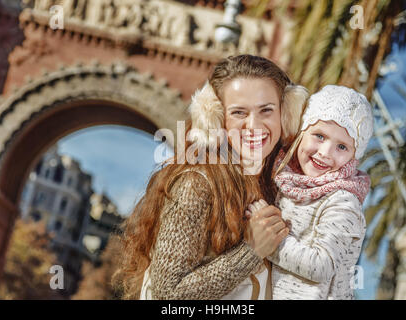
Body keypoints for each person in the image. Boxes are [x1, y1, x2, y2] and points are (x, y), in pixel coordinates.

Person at [114, 54, 309, 299]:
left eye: (266, 110)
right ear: (215, 120)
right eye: (239, 112)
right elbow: (168, 295)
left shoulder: (280, 190)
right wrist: (251, 251)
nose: (254, 125)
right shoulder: (196, 185)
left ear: (286, 113)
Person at [247, 85, 374, 299]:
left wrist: (267, 241)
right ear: (302, 133)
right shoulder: (286, 180)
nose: (325, 153)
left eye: (342, 147)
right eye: (319, 136)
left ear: (354, 156)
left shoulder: (342, 200)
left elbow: (322, 266)